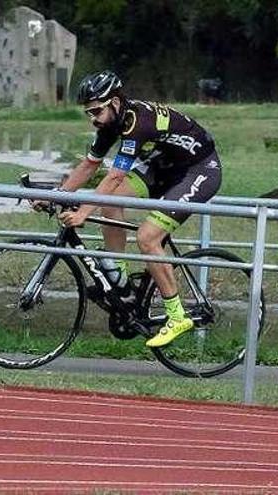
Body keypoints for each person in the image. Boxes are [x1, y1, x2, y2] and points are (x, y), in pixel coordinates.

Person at [36, 70, 222, 348]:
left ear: (114, 102)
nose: (93, 118)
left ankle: (176, 315)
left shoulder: (136, 122)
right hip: (164, 167)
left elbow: (115, 176)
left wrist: (83, 212)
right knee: (111, 205)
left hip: (199, 170)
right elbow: (89, 165)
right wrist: (59, 196)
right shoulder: (111, 122)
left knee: (147, 238)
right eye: (88, 113)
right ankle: (119, 277)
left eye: (96, 111)